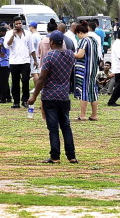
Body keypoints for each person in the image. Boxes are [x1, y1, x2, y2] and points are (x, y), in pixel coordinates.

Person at [28, 31, 78, 164]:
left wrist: (34, 96)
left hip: (50, 95)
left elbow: (43, 78)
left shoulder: (49, 56)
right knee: (66, 126)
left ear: (51, 42)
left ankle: (55, 156)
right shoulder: (70, 55)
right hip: (64, 95)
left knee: (53, 127)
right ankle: (71, 155)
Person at [5, 17, 36, 109]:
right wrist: (12, 35)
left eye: (20, 23)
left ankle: (25, 100)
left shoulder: (28, 34)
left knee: (25, 80)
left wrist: (35, 60)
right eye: (16, 24)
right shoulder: (9, 33)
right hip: (14, 61)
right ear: (13, 24)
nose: (18, 25)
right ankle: (16, 101)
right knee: (15, 82)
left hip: (25, 60)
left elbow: (31, 48)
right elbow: (7, 45)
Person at [73, 23, 100, 120]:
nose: (77, 36)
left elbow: (80, 55)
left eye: (77, 34)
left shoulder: (83, 40)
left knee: (83, 91)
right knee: (93, 91)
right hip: (93, 69)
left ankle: (82, 115)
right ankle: (94, 115)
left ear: (80, 32)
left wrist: (72, 54)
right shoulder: (94, 40)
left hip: (84, 69)